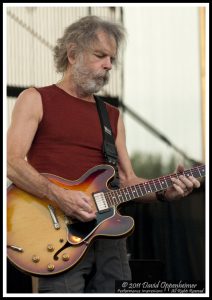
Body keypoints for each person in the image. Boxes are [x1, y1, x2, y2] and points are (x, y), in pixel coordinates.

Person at [7, 15, 201, 293]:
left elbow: (127, 180)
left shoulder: (111, 115)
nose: (109, 65)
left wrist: (163, 192)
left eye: (112, 58)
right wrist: (60, 195)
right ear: (73, 54)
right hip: (55, 234)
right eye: (100, 55)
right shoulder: (36, 99)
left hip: (111, 238)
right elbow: (13, 163)